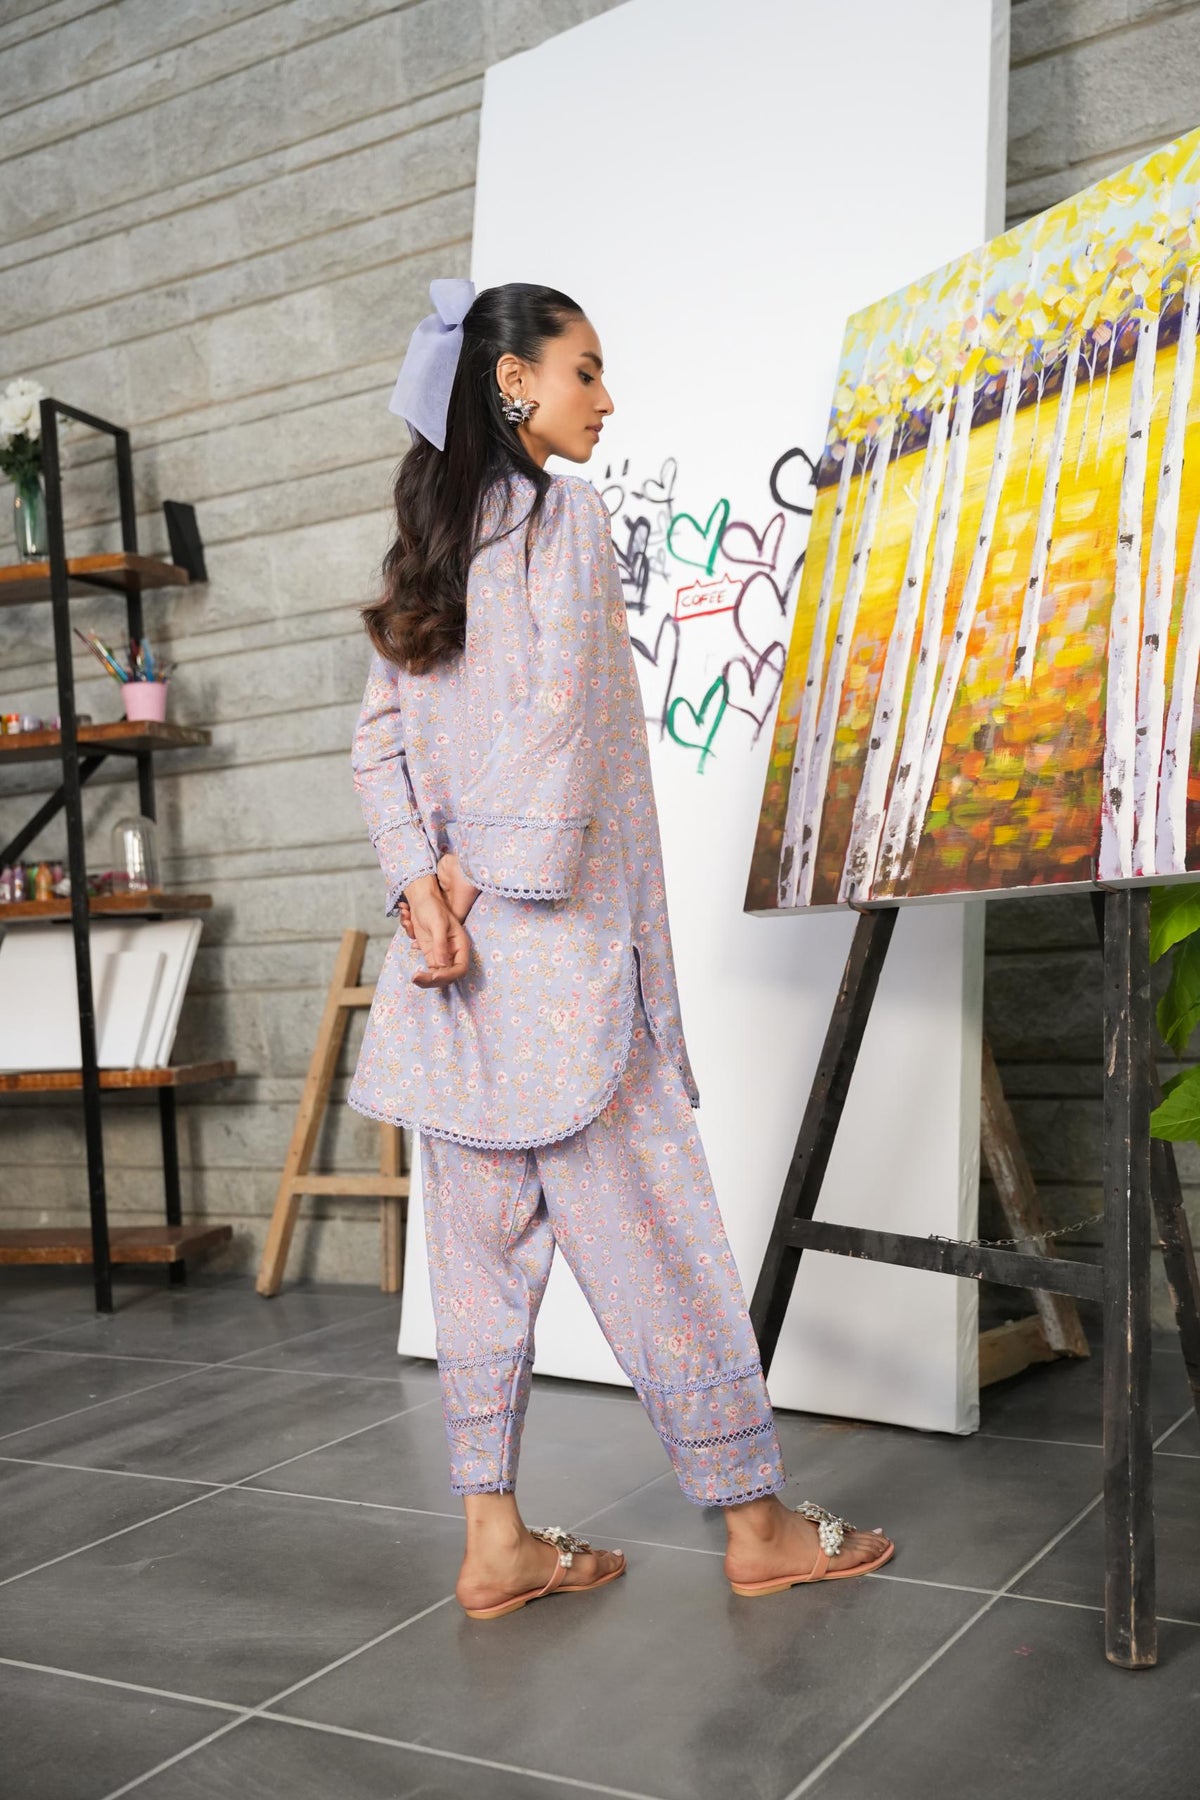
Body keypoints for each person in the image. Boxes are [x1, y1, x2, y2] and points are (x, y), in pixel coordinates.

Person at [347, 277, 894, 1620]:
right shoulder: (563, 519)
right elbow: (564, 727)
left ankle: (495, 1543)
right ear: (514, 381)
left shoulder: (427, 545)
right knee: (661, 1243)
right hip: (559, 966)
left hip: (452, 982)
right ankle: (760, 1527)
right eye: (585, 370)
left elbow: (378, 747)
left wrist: (422, 892)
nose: (606, 398)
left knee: (477, 1260)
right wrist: (459, 885)